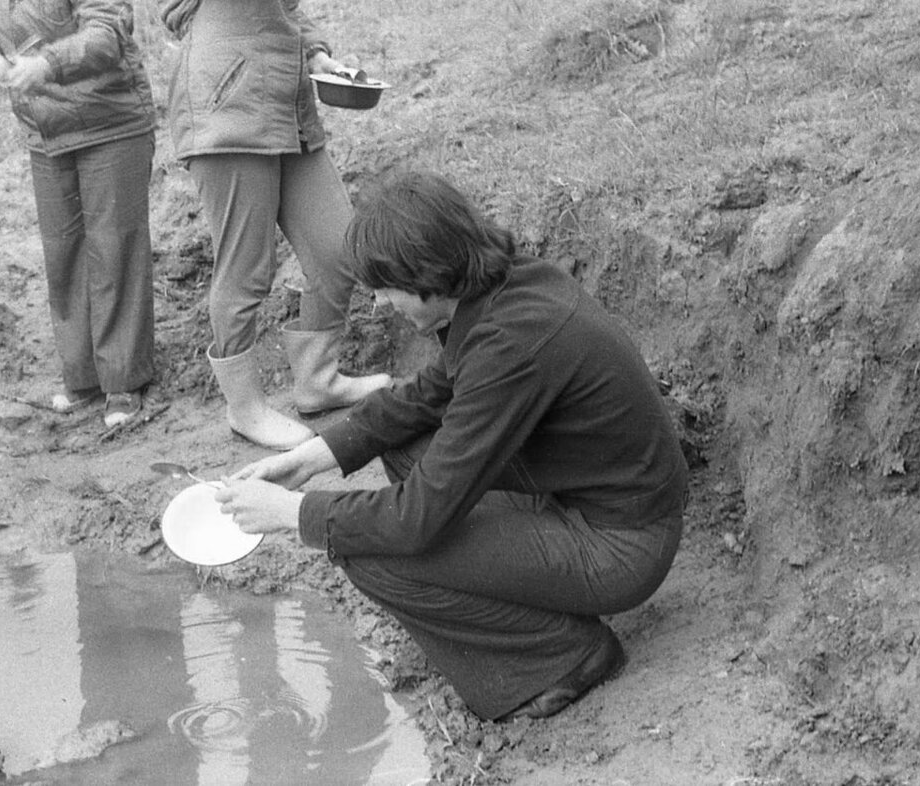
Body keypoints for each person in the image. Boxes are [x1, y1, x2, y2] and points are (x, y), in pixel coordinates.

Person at [214, 171, 688, 721]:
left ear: (428, 277)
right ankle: (518, 606)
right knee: (401, 446)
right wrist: (316, 455)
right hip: (589, 503)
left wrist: (294, 513)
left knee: (371, 550)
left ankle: (565, 655)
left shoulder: (514, 343)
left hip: (619, 546)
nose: (380, 302)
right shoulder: (504, 285)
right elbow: (431, 393)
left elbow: (416, 519)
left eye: (387, 287)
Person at [159, 0, 391, 451]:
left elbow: (284, 11)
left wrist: (316, 54)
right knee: (245, 270)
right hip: (225, 107)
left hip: (288, 106)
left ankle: (317, 381)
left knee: (338, 248)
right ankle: (245, 409)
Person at [0, 0, 157, 428]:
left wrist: (47, 64)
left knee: (114, 251)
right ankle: (83, 379)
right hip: (47, 132)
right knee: (63, 255)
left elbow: (108, 34)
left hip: (110, 124)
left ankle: (122, 381)